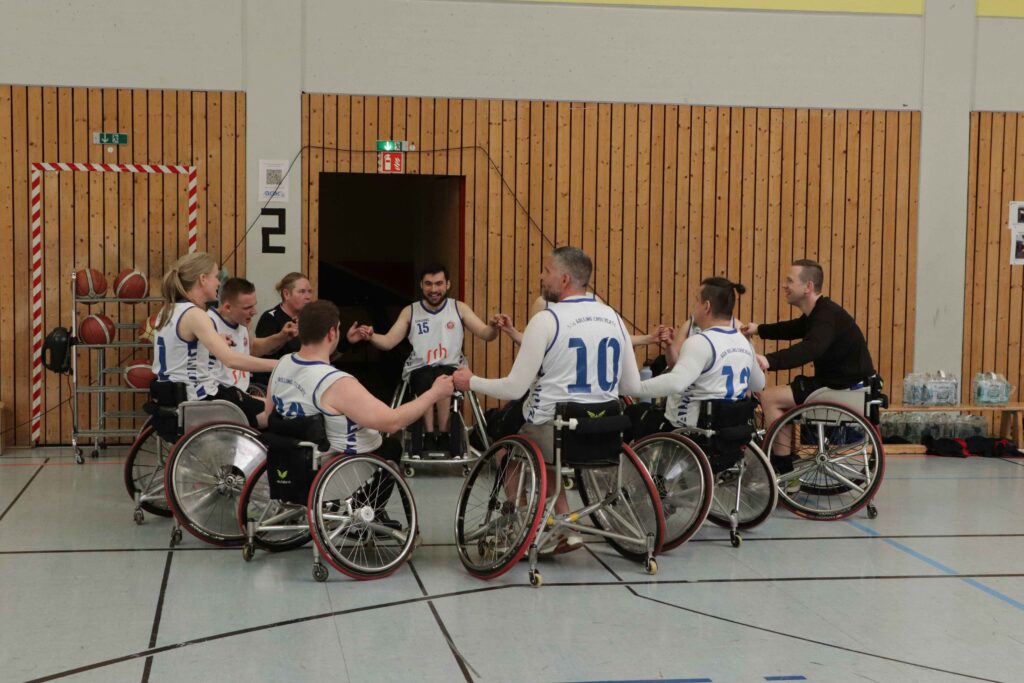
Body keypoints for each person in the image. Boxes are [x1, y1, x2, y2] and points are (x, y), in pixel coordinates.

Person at [454, 246, 643, 555]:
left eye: (546, 271)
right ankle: (564, 525)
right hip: (605, 433)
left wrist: (470, 381)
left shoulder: (546, 320)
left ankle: (518, 521)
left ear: (565, 279)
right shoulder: (614, 318)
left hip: (556, 433)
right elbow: (632, 385)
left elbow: (514, 387)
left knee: (505, 439)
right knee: (548, 437)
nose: (541, 277)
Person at [263, 300, 453, 514]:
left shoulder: (282, 364)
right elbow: (393, 422)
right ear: (332, 333)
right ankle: (369, 512)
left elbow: (268, 415)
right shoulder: (337, 382)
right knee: (390, 447)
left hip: (287, 462)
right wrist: (434, 393)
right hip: (330, 469)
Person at [741, 259, 875, 475]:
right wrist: (759, 330)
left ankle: (783, 469)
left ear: (808, 287)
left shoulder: (825, 316)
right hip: (840, 382)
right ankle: (785, 458)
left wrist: (769, 360)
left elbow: (811, 348)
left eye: (789, 281)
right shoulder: (821, 312)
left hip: (843, 387)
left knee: (769, 397)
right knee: (778, 398)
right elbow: (794, 328)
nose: (784, 285)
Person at [360, 264, 503, 453]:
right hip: (420, 368)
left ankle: (443, 435)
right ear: (421, 285)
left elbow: (486, 334)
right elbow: (388, 342)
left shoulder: (458, 308)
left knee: (444, 378)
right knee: (425, 379)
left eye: (438, 284)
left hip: (451, 367)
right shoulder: (410, 311)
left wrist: (493, 327)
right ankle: (428, 435)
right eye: (428, 284)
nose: (434, 289)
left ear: (448, 284)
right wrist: (371, 336)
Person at [630, 278, 765, 451]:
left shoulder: (700, 341)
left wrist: (633, 387)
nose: (694, 306)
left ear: (706, 306)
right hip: (730, 434)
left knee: (633, 414)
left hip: (689, 432)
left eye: (696, 301)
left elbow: (675, 383)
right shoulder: (744, 342)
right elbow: (758, 384)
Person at [151, 253, 277, 428]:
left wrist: (215, 340)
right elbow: (231, 360)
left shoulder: (168, 310)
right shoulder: (195, 315)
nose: (218, 283)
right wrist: (279, 364)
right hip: (200, 398)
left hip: (171, 396)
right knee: (276, 412)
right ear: (203, 279)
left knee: (262, 404)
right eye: (216, 277)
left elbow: (181, 349)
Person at [252, 272, 364, 387]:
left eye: (309, 291)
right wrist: (283, 337)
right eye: (302, 292)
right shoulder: (270, 318)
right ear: (286, 294)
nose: (308, 297)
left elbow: (321, 357)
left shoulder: (309, 319)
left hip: (306, 383)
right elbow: (262, 355)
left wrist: (347, 341)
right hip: (275, 385)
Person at [207, 277, 295, 394]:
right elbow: (231, 360)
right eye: (248, 307)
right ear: (228, 307)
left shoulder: (242, 321)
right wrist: (282, 364)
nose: (254, 312)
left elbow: (252, 349)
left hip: (243, 391)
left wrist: (281, 337)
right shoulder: (208, 323)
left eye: (254, 305)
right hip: (222, 394)